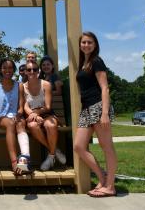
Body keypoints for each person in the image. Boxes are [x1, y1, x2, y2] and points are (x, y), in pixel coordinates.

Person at [73, 31, 117, 198]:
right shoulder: (83, 63)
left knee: (107, 147)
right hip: (86, 109)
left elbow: (105, 88)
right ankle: (102, 178)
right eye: (83, 42)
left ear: (95, 45)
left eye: (89, 42)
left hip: (98, 107)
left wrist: (104, 113)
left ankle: (110, 186)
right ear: (80, 45)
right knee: (78, 146)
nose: (86, 45)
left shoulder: (97, 61)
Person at [0, 59, 31, 175]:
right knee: (10, 123)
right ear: (0, 69)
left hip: (15, 116)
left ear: (14, 70)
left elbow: (21, 107)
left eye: (10, 68)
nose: (7, 70)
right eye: (4, 68)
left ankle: (24, 160)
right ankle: (14, 162)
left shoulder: (19, 85)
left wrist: (19, 114)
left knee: (21, 123)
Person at [22, 60, 67, 171]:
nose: (32, 71)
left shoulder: (46, 84)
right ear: (25, 72)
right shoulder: (22, 87)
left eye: (35, 69)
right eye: (29, 70)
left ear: (38, 71)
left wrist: (36, 113)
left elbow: (47, 106)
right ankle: (54, 150)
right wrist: (33, 114)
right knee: (32, 126)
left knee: (50, 126)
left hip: (46, 114)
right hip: (31, 115)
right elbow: (25, 106)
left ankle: (50, 156)